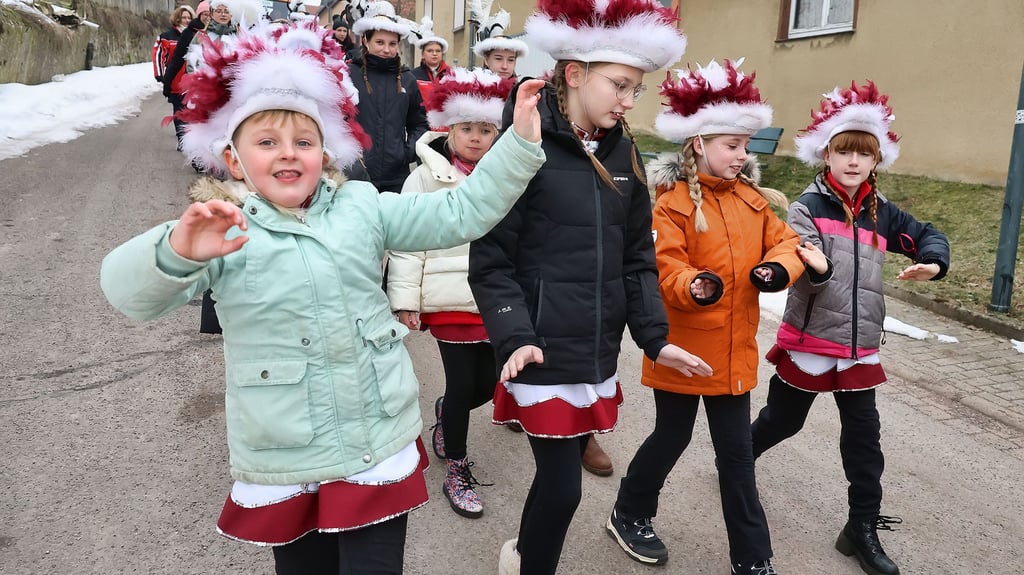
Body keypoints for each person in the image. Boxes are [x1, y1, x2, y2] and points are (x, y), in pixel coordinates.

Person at [101, 22, 546, 575]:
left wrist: (519, 143)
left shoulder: (363, 206)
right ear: (234, 159)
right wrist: (176, 251)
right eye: (267, 142)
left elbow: (462, 211)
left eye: (304, 142)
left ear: (326, 153)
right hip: (288, 456)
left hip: (375, 443)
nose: (288, 154)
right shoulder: (221, 229)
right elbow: (126, 294)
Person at [467, 2, 708, 574]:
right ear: (574, 73)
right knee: (563, 488)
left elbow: (637, 257)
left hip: (595, 348)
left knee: (556, 488)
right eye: (620, 85)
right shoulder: (522, 144)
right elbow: (491, 261)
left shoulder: (624, 150)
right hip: (538, 347)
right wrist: (514, 335)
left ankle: (522, 555)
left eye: (636, 89)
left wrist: (655, 337)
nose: (629, 101)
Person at [605, 59, 805, 575]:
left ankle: (753, 560)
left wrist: (775, 271)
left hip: (733, 354)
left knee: (737, 457)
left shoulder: (752, 202)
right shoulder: (671, 205)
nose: (742, 156)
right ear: (699, 143)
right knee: (672, 437)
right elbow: (663, 266)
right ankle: (629, 512)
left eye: (746, 146)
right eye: (732, 145)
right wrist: (694, 285)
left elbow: (788, 244)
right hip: (684, 349)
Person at [749, 81, 950, 575]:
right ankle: (736, 465)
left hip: (860, 346)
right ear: (827, 154)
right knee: (783, 421)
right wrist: (816, 269)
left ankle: (861, 526)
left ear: (876, 160)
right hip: (813, 339)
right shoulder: (806, 207)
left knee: (864, 438)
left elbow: (928, 233)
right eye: (844, 151)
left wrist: (932, 262)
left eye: (865, 153)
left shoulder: (882, 211)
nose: (854, 162)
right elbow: (802, 272)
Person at [387, 68, 515, 519]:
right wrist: (406, 299)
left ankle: (445, 411)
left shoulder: (507, 175)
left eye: (485, 130)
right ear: (449, 130)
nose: (476, 138)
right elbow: (406, 240)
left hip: (495, 298)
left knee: (491, 381)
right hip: (447, 299)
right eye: (467, 129)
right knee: (464, 384)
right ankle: (457, 469)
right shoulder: (424, 178)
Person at [348, 1, 430, 193]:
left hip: (397, 177)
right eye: (380, 42)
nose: (387, 49)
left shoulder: (407, 79)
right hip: (357, 176)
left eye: (392, 44)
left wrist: (407, 152)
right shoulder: (349, 75)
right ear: (365, 41)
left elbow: (419, 124)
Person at [153, 4, 196, 150]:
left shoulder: (196, 35)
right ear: (177, 18)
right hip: (176, 79)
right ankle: (182, 139)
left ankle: (192, 138)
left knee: (192, 110)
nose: (186, 20)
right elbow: (158, 55)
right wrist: (160, 75)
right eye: (184, 17)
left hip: (193, 79)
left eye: (189, 18)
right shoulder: (167, 36)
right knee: (179, 110)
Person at [469, 2, 528, 80]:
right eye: (498, 59)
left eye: (511, 60)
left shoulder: (524, 87)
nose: (505, 66)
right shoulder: (471, 87)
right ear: (486, 60)